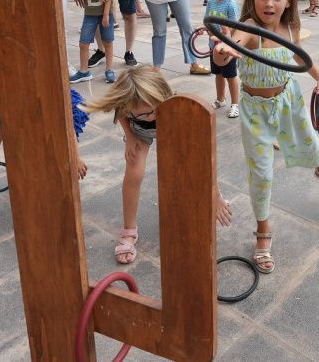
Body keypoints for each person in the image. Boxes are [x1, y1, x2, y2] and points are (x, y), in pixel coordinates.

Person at [212, 0, 319, 273]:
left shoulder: (289, 28)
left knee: (309, 140)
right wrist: (222, 50)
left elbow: (300, 58)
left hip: (288, 100)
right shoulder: (247, 27)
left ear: (289, 0)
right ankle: (263, 230)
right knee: (260, 172)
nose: (269, 4)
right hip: (255, 111)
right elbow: (229, 50)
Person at [82, 65, 233, 264]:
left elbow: (205, 157)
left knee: (189, 169)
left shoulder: (178, 106)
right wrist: (130, 137)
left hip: (173, 128)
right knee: (134, 173)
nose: (149, 116)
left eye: (152, 111)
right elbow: (119, 112)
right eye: (140, 113)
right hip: (140, 134)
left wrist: (214, 193)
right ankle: (129, 230)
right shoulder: (127, 104)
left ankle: (214, 196)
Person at [0, 68, 87, 180]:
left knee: (55, 147)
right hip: (35, 115)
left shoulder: (32, 94)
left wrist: (75, 157)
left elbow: (65, 125)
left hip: (64, 109)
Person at [205, 0, 240, 118]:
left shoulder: (230, 5)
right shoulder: (211, 3)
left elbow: (235, 29)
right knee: (218, 74)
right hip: (213, 47)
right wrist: (205, 30)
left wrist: (223, 37)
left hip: (227, 49)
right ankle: (220, 99)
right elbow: (207, 22)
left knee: (231, 76)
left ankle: (235, 104)